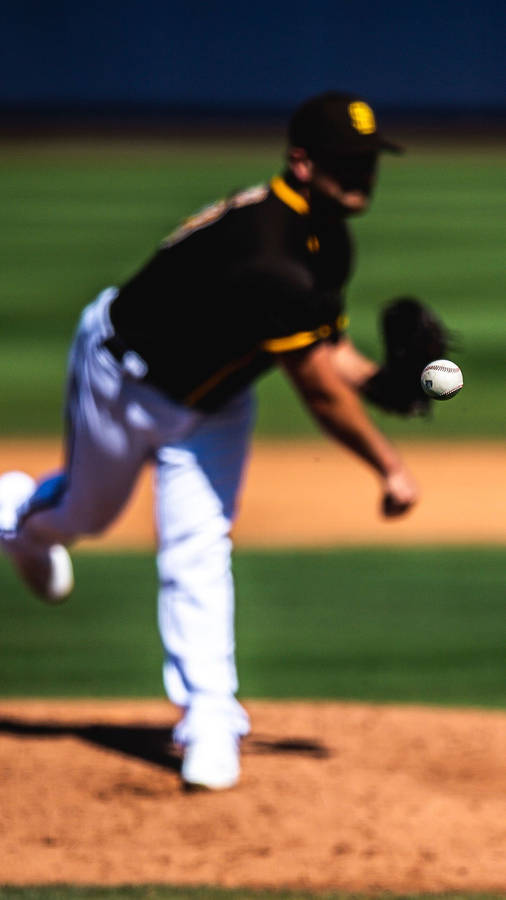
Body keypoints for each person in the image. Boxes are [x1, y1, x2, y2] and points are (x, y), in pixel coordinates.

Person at [0, 91, 419, 790]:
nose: (363, 177)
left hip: (215, 402)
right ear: (303, 162)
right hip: (124, 378)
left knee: (199, 543)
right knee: (86, 517)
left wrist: (383, 384)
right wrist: (390, 466)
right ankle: (19, 514)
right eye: (348, 162)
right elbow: (316, 387)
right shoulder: (268, 252)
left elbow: (330, 348)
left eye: (370, 162)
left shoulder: (325, 235)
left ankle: (210, 717)